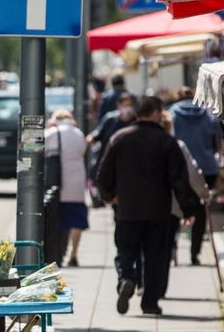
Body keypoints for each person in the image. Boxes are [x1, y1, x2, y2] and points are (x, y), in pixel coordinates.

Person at [97, 96, 194, 317]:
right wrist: (188, 209)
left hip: (128, 209)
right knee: (155, 257)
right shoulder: (166, 141)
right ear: (156, 113)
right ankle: (149, 302)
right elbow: (179, 179)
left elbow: (103, 174)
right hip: (158, 211)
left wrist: (109, 196)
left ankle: (127, 278)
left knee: (125, 251)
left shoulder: (119, 138)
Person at [168, 87, 223, 264]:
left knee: (175, 206)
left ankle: (172, 246)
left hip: (178, 166)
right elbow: (217, 142)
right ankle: (195, 252)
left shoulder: (171, 114)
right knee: (200, 209)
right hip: (206, 167)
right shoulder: (208, 115)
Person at [45, 109, 89, 266]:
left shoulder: (52, 132)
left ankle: (58, 252)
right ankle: (74, 253)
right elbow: (83, 151)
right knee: (76, 219)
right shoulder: (78, 133)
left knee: (56, 219)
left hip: (58, 182)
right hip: (76, 182)